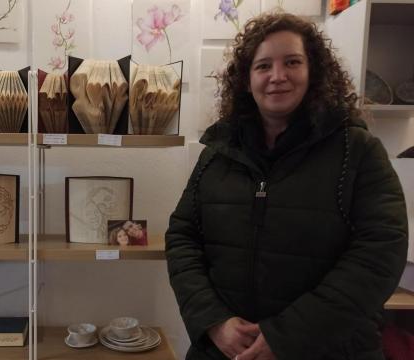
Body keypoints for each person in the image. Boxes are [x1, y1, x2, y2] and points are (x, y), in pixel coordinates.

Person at [165, 12, 408, 360]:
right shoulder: (218, 153)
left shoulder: (357, 151)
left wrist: (288, 336)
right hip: (225, 351)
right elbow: (182, 236)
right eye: (263, 66)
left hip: (327, 350)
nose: (277, 76)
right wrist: (213, 321)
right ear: (247, 80)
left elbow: (380, 255)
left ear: (313, 72)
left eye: (292, 62)